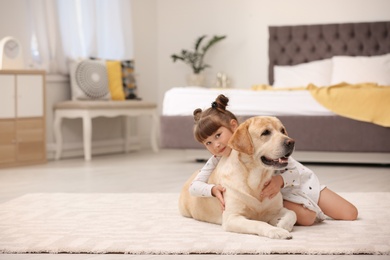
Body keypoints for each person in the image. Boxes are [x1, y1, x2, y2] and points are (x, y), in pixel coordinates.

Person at [189, 94, 358, 226]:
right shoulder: (217, 160)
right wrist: (212, 190)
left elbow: (296, 172)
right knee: (307, 218)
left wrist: (279, 180)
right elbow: (195, 186)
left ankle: (308, 205)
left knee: (351, 213)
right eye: (208, 143)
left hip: (301, 183)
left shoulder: (261, 146)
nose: (216, 145)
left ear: (234, 126)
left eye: (218, 136)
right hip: (274, 195)